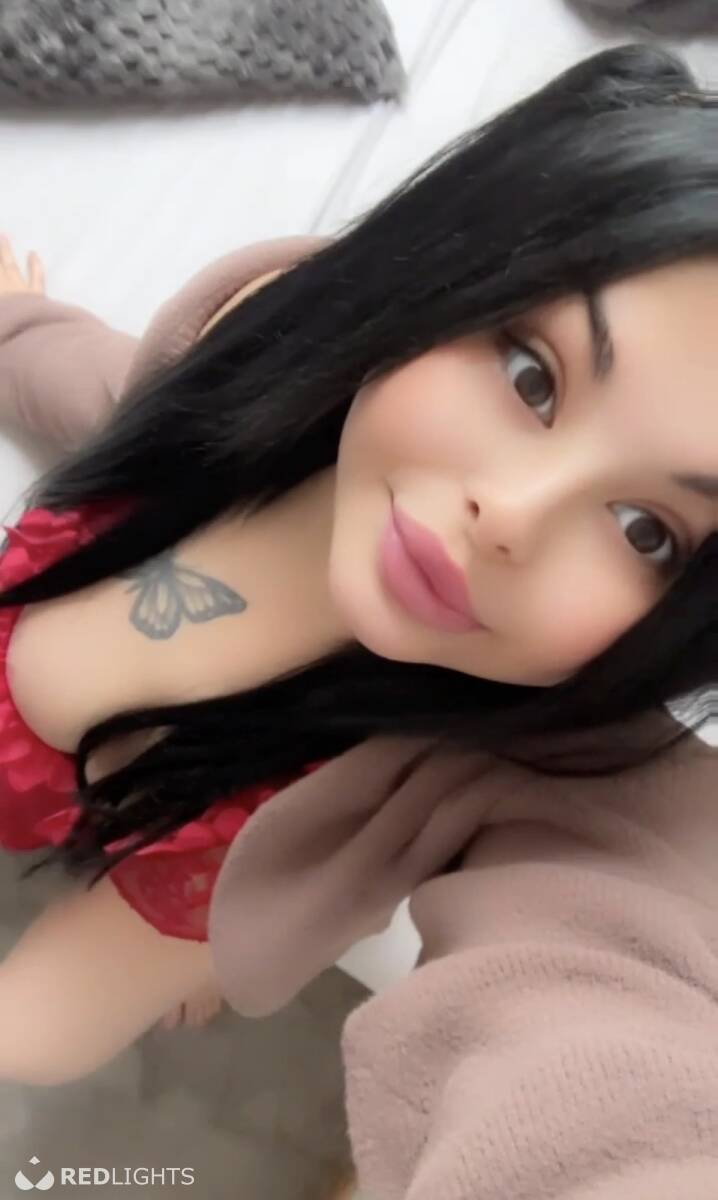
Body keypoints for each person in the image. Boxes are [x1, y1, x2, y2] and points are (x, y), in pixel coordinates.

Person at [0, 35, 713, 1164]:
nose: (511, 514)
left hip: (170, 889)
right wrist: (17, 325)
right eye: (532, 374)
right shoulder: (265, 356)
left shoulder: (535, 771)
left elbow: (621, 1045)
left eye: (646, 533)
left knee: (31, 1034)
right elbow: (123, 393)